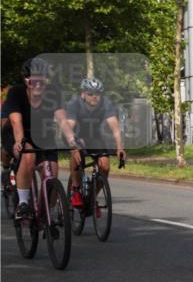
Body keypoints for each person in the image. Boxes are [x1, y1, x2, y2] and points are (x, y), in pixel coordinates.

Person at [2, 57, 74, 220]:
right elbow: (16, 121)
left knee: (52, 172)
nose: (38, 85)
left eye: (42, 81)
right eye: (33, 81)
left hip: (42, 133)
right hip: (16, 132)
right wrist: (20, 142)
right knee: (28, 155)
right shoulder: (16, 93)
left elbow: (62, 119)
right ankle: (23, 204)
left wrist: (71, 138)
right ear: (25, 80)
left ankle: (48, 214)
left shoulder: (53, 93)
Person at [65, 77, 127, 208]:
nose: (94, 97)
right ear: (83, 94)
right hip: (76, 135)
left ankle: (92, 197)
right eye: (90, 94)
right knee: (77, 157)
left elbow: (115, 127)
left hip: (95, 137)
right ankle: (75, 189)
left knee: (105, 166)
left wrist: (120, 147)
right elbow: (69, 127)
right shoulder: (74, 103)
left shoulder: (106, 103)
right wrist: (74, 147)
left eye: (98, 94)